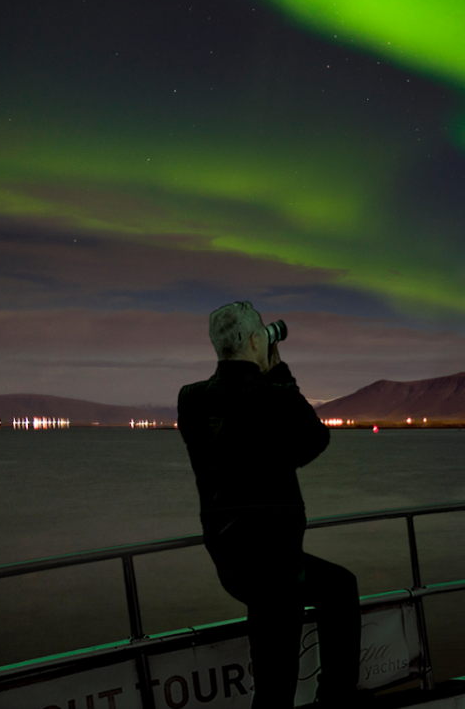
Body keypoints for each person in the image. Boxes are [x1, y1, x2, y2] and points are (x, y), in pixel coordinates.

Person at [177, 301, 361, 709]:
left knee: (333, 591)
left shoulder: (190, 401)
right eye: (263, 334)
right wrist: (279, 374)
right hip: (272, 564)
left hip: (229, 555)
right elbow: (312, 441)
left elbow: (237, 433)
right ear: (258, 340)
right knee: (277, 684)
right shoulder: (269, 397)